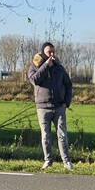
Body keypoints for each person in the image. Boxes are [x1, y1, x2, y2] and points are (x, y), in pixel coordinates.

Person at [27, 42, 74, 170]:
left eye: (53, 52)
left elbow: (68, 85)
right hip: (42, 107)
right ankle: (48, 161)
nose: (52, 54)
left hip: (59, 106)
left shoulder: (59, 67)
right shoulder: (34, 66)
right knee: (46, 136)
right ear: (43, 53)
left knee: (62, 135)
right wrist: (46, 66)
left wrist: (66, 102)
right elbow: (35, 80)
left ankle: (66, 162)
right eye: (49, 52)